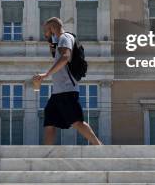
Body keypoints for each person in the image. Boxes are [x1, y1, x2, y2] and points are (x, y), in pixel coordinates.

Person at [33, 17, 103, 145]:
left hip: (67, 89)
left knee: (77, 122)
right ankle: (46, 154)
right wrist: (50, 40)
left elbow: (65, 57)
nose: (44, 34)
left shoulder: (65, 38)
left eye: (46, 31)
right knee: (49, 122)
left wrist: (46, 74)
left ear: (52, 28)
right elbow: (56, 55)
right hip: (58, 92)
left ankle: (100, 146)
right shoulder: (59, 40)